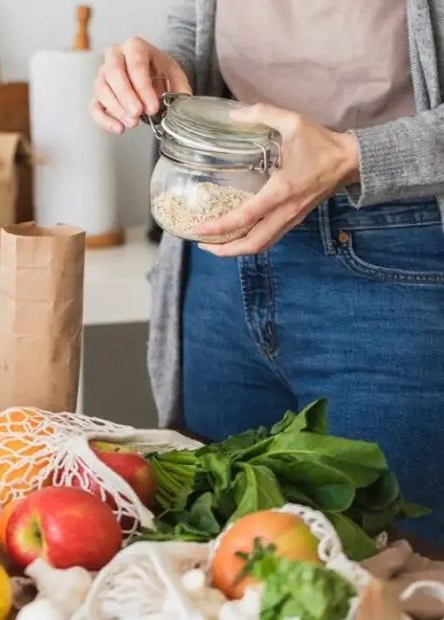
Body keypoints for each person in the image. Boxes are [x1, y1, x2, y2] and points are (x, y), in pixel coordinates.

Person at [90, 0, 444, 545]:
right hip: (219, 261)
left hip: (394, 265)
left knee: (393, 568)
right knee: (219, 561)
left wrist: (354, 155)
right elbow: (200, 26)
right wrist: (159, 73)